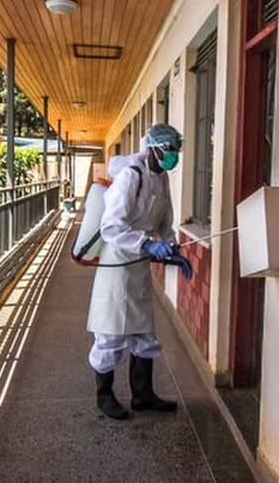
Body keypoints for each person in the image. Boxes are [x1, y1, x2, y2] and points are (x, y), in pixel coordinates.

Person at [87, 123, 193, 420]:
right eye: (170, 151)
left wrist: (172, 250)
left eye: (177, 151)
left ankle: (143, 395)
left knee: (143, 333)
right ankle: (104, 396)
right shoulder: (131, 176)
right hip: (118, 263)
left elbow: (164, 222)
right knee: (110, 334)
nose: (174, 157)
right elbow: (111, 227)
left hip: (139, 265)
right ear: (155, 148)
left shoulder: (161, 178)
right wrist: (147, 245)